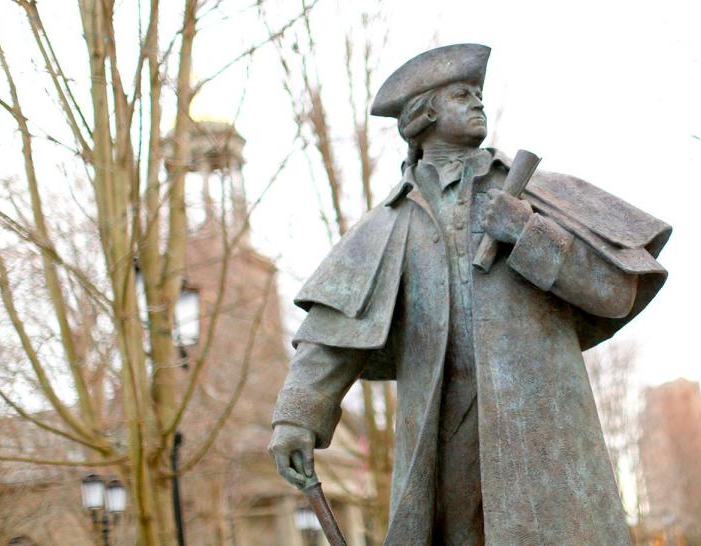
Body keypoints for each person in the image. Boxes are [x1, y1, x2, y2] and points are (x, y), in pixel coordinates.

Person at [268, 43, 671, 545]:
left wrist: (528, 233)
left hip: (541, 428)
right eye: (462, 94)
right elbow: (331, 334)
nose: (478, 103)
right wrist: (296, 417)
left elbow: (614, 291)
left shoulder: (536, 195)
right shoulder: (389, 224)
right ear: (422, 115)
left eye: (478, 94)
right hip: (441, 433)